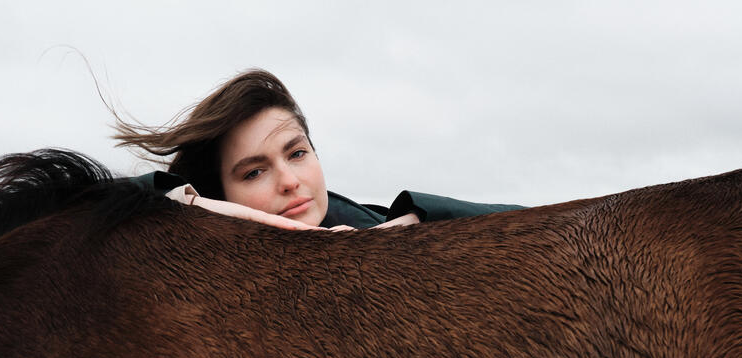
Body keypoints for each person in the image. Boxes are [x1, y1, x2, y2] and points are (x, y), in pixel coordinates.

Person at [114, 69, 523, 230]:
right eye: (254, 172)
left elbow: (537, 224)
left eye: (296, 154)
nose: (291, 182)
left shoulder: (355, 225)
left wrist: (408, 220)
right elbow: (111, 197)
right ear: (219, 191)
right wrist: (196, 203)